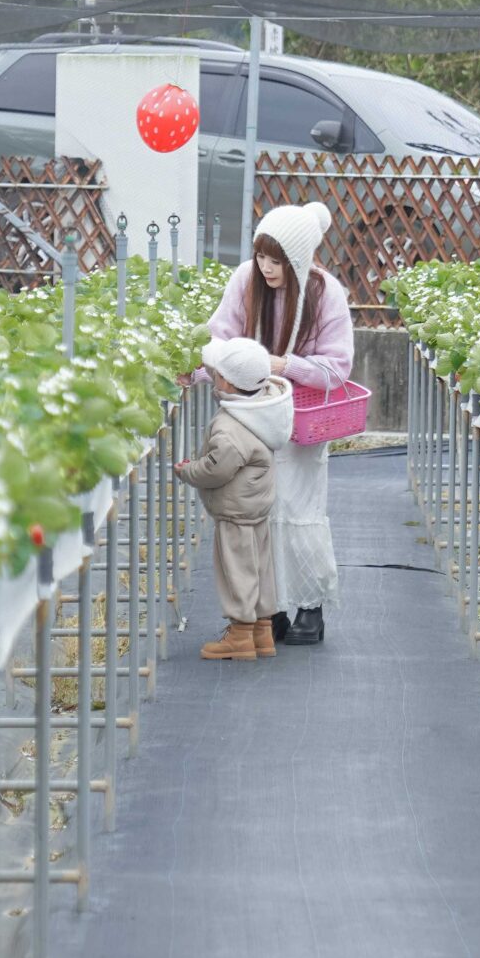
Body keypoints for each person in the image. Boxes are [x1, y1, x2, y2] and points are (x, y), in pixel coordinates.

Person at [201, 202, 352, 645]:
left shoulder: (326, 293)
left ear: (299, 258)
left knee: (300, 509)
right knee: (260, 512)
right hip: (249, 416)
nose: (266, 268)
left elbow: (336, 369)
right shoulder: (244, 280)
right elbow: (219, 338)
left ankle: (310, 607)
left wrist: (281, 365)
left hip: (303, 419)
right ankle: (272, 609)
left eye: (277, 259)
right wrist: (193, 365)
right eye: (262, 256)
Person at [175, 337, 294, 660]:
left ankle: (240, 635)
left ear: (225, 381)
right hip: (257, 507)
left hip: (235, 511)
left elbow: (217, 469)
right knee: (260, 567)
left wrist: (188, 470)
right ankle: (262, 632)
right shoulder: (263, 408)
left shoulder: (230, 425)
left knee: (237, 570)